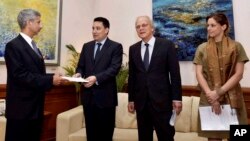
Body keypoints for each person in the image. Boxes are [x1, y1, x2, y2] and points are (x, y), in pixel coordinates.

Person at [4, 9, 64, 141]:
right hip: (21, 110)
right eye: (38, 22)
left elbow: (35, 73)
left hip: (35, 108)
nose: (41, 25)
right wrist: (50, 81)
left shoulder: (33, 45)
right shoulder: (13, 46)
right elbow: (20, 75)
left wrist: (55, 77)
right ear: (28, 22)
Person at [193, 12, 249, 141]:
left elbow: (239, 74)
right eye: (208, 25)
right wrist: (211, 95)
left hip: (233, 97)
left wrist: (219, 92)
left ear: (223, 27)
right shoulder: (202, 48)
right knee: (213, 138)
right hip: (209, 98)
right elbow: (198, 73)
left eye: (213, 25)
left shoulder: (236, 47)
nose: (209, 28)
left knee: (238, 136)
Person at [127, 16, 182, 141]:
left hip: (162, 102)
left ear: (152, 28)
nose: (141, 28)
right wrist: (131, 99)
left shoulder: (166, 45)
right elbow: (132, 76)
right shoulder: (133, 49)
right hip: (141, 104)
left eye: (144, 25)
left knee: (166, 137)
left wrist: (177, 98)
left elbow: (175, 74)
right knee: (144, 137)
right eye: (138, 26)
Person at [74, 17, 123, 141]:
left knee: (105, 135)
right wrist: (79, 74)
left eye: (98, 28)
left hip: (106, 99)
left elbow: (114, 69)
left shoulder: (115, 47)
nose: (94, 31)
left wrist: (96, 78)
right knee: (91, 134)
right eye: (93, 28)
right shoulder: (87, 46)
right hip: (88, 98)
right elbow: (81, 66)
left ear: (106, 30)